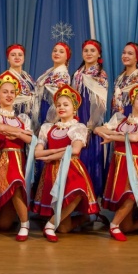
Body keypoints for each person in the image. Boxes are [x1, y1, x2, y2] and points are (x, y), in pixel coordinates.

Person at [94, 81, 138, 241]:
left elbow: (135, 138)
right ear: (132, 100)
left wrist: (112, 137)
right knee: (127, 227)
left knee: (132, 194)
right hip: (118, 163)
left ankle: (114, 225)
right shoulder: (119, 118)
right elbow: (98, 129)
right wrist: (109, 133)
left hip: (133, 164)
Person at [33, 84, 100, 242]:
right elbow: (37, 153)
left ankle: (50, 225)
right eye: (58, 105)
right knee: (64, 229)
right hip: (52, 170)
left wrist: (51, 155)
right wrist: (57, 152)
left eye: (65, 105)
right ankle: (85, 218)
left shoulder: (78, 127)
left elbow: (75, 150)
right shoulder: (47, 127)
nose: (61, 108)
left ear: (74, 109)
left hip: (71, 167)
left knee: (77, 192)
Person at [0, 71, 34, 241]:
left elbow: (30, 139)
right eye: (5, 92)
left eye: (12, 92)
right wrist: (19, 132)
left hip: (20, 160)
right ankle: (25, 224)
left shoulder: (23, 118)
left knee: (4, 224)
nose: (9, 95)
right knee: (15, 182)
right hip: (3, 161)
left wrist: (15, 133)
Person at [72, 39, 108, 197]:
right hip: (78, 116)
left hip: (90, 120)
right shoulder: (77, 74)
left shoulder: (100, 75)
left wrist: (90, 126)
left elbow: (100, 105)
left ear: (99, 54)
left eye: (92, 50)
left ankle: (90, 193)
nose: (88, 53)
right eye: (86, 50)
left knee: (89, 153)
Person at [34, 42, 71, 128]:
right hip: (42, 109)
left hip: (52, 113)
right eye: (55, 51)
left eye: (61, 52)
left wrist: (50, 121)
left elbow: (60, 100)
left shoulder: (63, 75)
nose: (57, 53)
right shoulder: (48, 73)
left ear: (67, 57)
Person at [111, 42, 138, 115]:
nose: (125, 56)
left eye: (130, 53)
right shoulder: (119, 79)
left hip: (130, 119)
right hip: (115, 119)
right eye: (124, 53)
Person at [6, 44, 37, 123]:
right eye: (13, 55)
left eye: (20, 55)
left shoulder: (27, 76)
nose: (17, 57)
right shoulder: (6, 78)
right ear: (8, 59)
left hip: (31, 116)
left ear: (24, 58)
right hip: (15, 117)